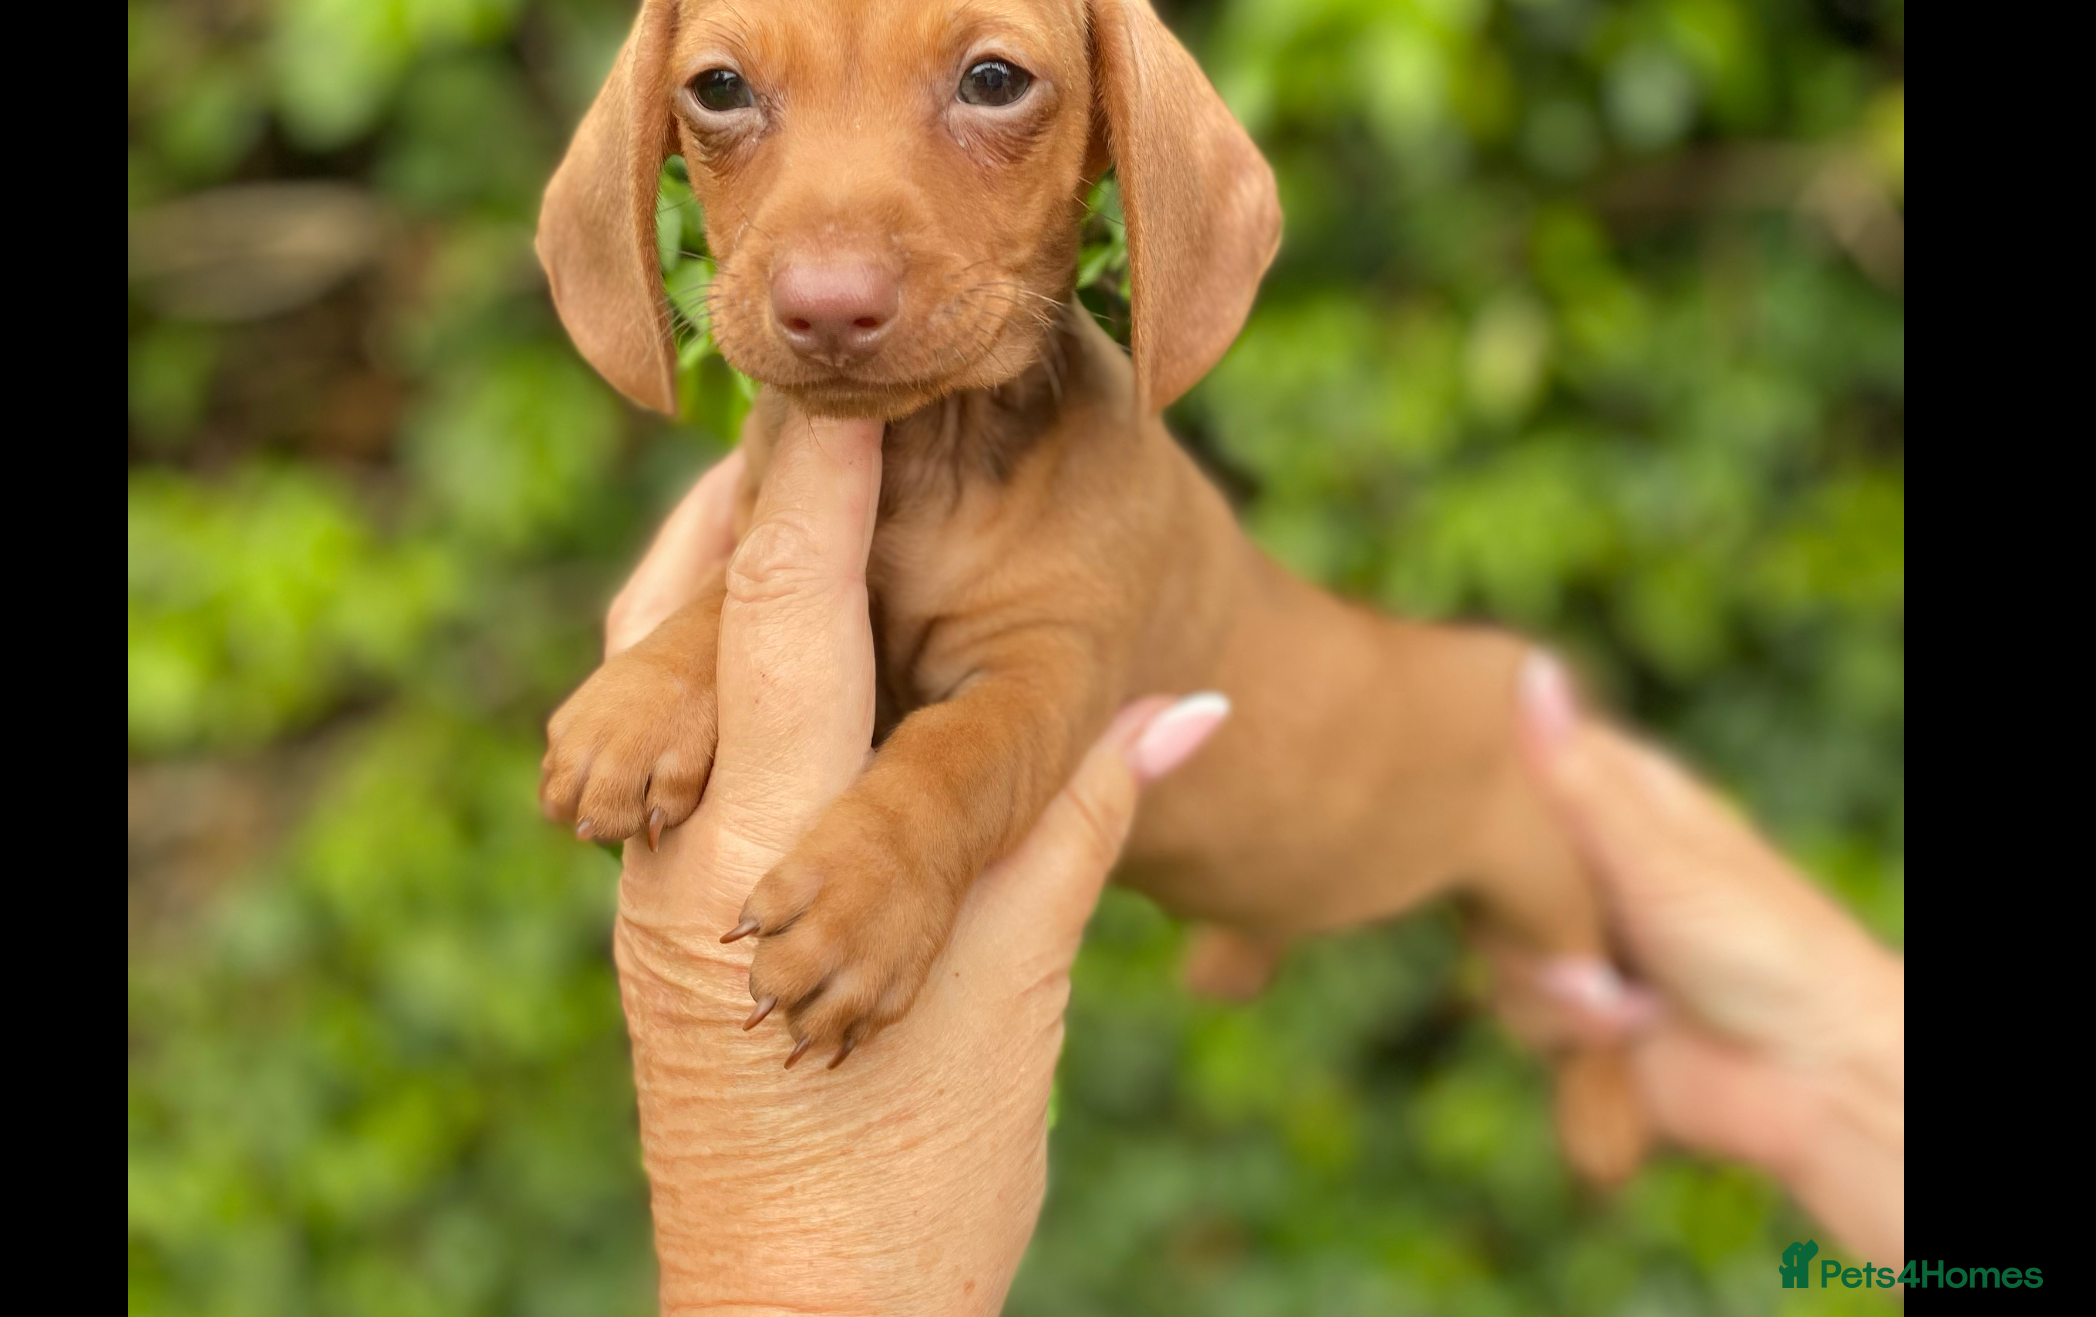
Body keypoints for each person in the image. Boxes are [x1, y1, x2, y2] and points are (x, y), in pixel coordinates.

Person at [598, 421, 1903, 1311]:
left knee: (1547, 911)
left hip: (1455, 758)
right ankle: (1254, 910)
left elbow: (991, 676)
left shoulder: (1092, 502)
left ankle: (1595, 1041)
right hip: (1262, 760)